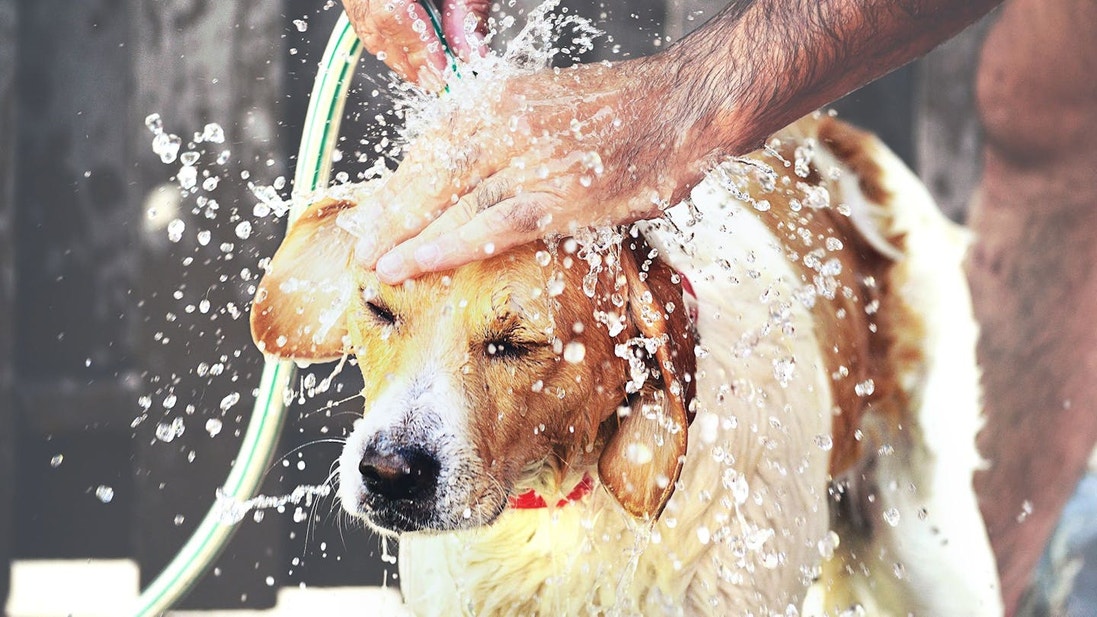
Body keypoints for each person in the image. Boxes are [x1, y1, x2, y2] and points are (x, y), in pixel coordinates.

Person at [341, 1, 1097, 614]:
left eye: (512, 344)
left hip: (869, 249)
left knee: (1052, 105)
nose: (393, 454)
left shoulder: (676, 372)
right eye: (382, 312)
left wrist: (691, 101)